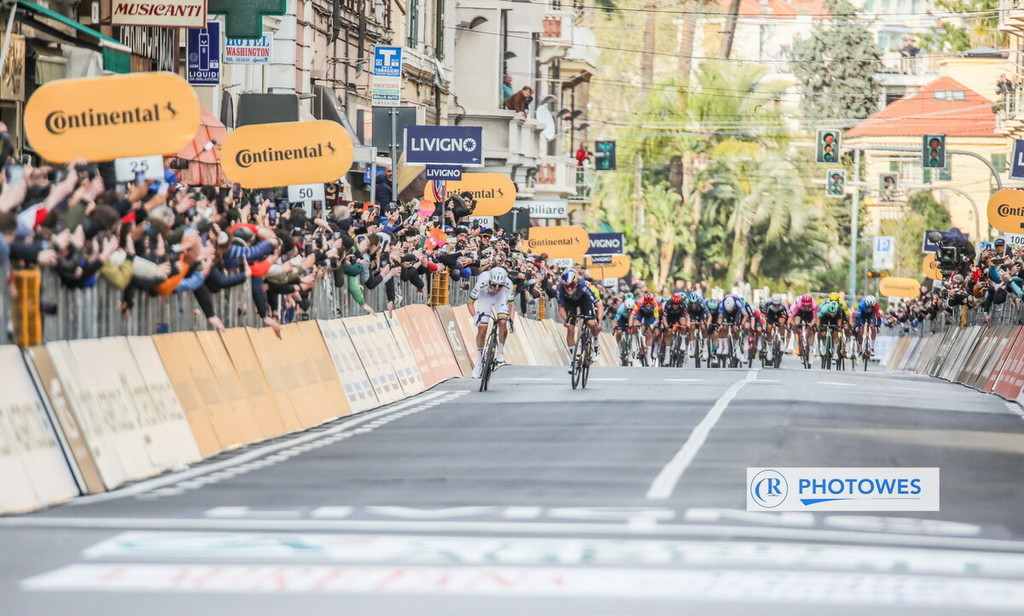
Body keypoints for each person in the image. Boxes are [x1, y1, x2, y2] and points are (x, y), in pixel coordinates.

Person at [468, 266, 513, 378]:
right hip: (485, 297)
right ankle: (479, 362)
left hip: (500, 298)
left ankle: (500, 352)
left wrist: (511, 320)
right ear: (490, 281)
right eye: (494, 285)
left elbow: (512, 305)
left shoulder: (508, 283)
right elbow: (470, 302)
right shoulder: (482, 281)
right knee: (482, 330)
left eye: (500, 285)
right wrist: (475, 317)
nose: (496, 288)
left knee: (503, 322)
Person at [557, 269, 602, 366]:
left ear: (576, 283)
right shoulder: (560, 288)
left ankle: (596, 345)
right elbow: (560, 308)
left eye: (572, 286)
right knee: (570, 328)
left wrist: (600, 322)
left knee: (591, 323)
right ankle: (573, 361)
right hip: (570, 303)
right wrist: (566, 320)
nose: (569, 289)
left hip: (584, 300)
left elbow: (599, 305)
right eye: (566, 286)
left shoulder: (583, 286)